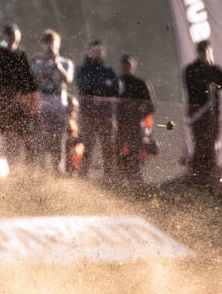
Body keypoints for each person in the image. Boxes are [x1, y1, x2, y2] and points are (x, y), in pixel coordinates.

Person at [182, 40, 222, 186]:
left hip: (213, 114)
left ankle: (210, 174)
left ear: (210, 52)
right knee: (199, 143)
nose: (204, 54)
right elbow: (192, 86)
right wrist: (208, 83)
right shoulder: (191, 69)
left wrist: (212, 83)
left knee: (212, 142)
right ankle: (197, 174)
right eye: (201, 51)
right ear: (197, 52)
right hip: (198, 113)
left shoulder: (214, 69)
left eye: (206, 51)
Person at [74, 40, 122, 177]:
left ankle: (109, 178)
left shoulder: (109, 71)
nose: (98, 54)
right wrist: (104, 84)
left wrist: (96, 85)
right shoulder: (82, 70)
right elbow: (83, 85)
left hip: (106, 116)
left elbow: (116, 89)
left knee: (108, 148)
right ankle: (82, 177)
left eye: (100, 51)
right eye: (95, 51)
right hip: (87, 115)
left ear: (104, 53)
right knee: (86, 147)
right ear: (89, 52)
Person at [0, 23, 35, 165]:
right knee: (10, 137)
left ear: (19, 37)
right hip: (4, 103)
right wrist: (1, 96)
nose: (11, 38)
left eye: (14, 35)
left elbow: (28, 81)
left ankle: (19, 167)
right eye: (9, 34)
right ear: (4, 36)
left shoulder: (22, 56)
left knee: (24, 136)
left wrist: (25, 101)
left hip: (21, 102)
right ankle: (10, 166)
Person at [29, 29, 74, 172]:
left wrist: (56, 63)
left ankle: (58, 169)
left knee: (59, 139)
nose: (50, 45)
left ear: (58, 44)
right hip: (42, 103)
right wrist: (44, 63)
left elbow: (68, 79)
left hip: (59, 104)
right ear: (43, 44)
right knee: (41, 138)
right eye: (47, 42)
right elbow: (35, 81)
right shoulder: (37, 62)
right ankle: (40, 169)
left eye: (52, 42)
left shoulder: (66, 62)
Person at [114, 54, 155, 185]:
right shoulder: (116, 83)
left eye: (128, 65)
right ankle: (118, 186)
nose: (126, 67)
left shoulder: (140, 84)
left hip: (135, 127)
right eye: (124, 64)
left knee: (134, 160)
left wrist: (138, 113)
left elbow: (151, 107)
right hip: (119, 126)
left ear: (133, 66)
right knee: (119, 159)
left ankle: (136, 187)